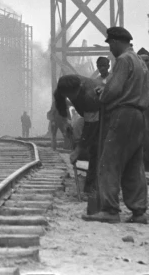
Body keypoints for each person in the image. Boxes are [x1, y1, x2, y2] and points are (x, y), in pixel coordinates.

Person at [82, 27, 149, 223]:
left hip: (122, 114)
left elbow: (114, 89)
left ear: (118, 41)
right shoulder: (141, 63)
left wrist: (101, 93)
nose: (110, 48)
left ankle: (110, 210)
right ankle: (139, 212)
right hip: (139, 116)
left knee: (108, 161)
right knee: (133, 166)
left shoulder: (123, 60)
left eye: (110, 43)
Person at [53, 74, 102, 193]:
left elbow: (91, 127)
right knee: (90, 146)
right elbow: (60, 104)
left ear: (79, 88)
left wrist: (78, 150)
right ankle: (91, 186)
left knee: (96, 147)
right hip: (89, 115)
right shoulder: (61, 89)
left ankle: (92, 187)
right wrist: (66, 122)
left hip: (106, 117)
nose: (71, 98)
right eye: (68, 96)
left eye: (72, 95)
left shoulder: (90, 95)